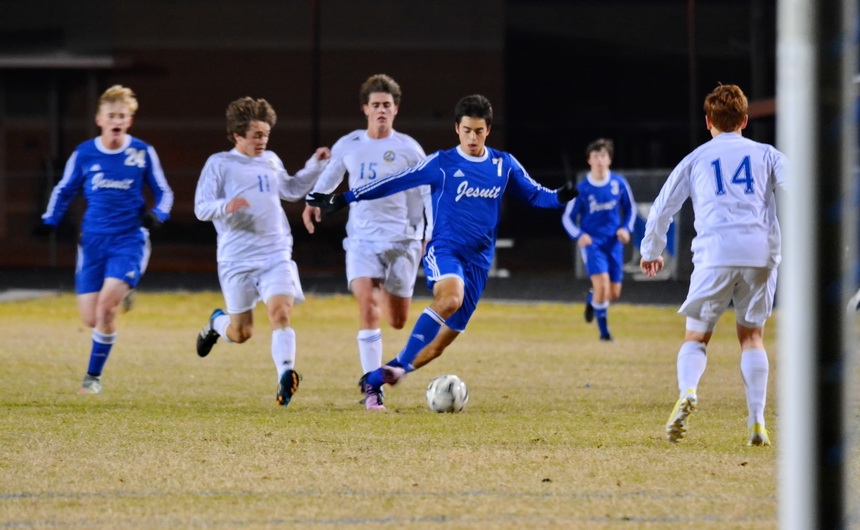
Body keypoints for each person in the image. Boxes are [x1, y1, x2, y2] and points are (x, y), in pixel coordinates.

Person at [308, 94, 577, 410]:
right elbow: (395, 181)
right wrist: (345, 198)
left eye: (478, 131)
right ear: (457, 129)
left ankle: (385, 372)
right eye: (467, 130)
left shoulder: (503, 165)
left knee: (436, 348)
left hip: (479, 262)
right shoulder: (442, 163)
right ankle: (397, 365)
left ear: (488, 130)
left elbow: (536, 196)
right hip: (445, 249)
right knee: (450, 298)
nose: (472, 137)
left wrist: (562, 196)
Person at [639, 83, 787, 446]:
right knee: (752, 336)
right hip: (759, 253)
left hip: (714, 255)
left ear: (708, 122)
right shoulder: (767, 154)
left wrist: (651, 250)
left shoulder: (696, 159)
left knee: (697, 335)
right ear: (745, 120)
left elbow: (662, 208)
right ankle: (756, 423)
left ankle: (688, 390)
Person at [301, 74, 431, 407]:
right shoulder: (350, 144)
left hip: (403, 241)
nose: (381, 110)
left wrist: (428, 234)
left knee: (398, 320)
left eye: (387, 105)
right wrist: (312, 203)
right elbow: (329, 179)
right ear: (365, 109)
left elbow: (427, 192)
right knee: (368, 307)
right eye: (376, 105)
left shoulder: (409, 149)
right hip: (361, 241)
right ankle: (374, 390)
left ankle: (387, 293)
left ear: (396, 109)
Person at [193, 97, 331, 407]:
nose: (263, 141)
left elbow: (293, 190)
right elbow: (201, 207)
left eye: (266, 135)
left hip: (275, 252)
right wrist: (224, 206)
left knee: (280, 312)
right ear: (237, 135)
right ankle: (217, 322)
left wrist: (315, 166)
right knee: (241, 332)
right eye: (256, 135)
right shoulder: (219, 164)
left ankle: (286, 375)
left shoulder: (270, 159)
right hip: (236, 259)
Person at [39, 84, 174, 395]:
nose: (116, 120)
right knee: (90, 318)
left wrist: (158, 215)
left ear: (129, 121)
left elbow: (164, 192)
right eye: (111, 115)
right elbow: (64, 189)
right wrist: (50, 221)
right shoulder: (85, 153)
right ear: (99, 119)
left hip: (129, 240)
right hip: (93, 243)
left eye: (122, 115)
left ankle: (92, 379)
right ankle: (119, 295)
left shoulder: (141, 152)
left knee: (104, 311)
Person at [561, 138, 636, 341]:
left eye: (603, 156)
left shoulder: (619, 183)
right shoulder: (582, 188)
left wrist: (626, 228)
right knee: (602, 286)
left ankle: (591, 298)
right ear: (589, 161)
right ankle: (604, 334)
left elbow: (630, 209)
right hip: (593, 244)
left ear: (609, 160)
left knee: (613, 293)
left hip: (614, 243)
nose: (600, 160)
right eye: (595, 157)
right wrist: (579, 235)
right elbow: (567, 217)